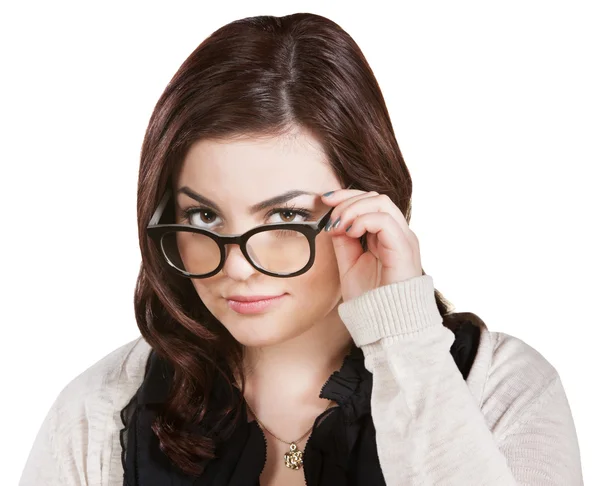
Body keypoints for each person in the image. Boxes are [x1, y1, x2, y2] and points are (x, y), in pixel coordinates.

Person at [20, 12, 583, 486]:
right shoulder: (101, 412)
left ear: (367, 206)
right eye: (204, 215)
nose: (236, 266)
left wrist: (405, 338)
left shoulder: (501, 389)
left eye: (286, 216)